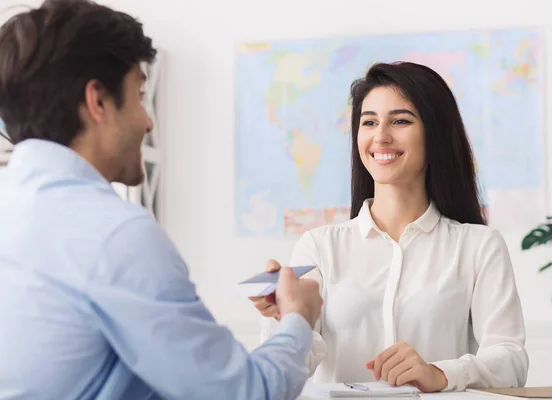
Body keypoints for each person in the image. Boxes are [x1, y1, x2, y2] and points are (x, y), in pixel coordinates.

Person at [0, 1, 322, 399]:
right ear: (98, 102)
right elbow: (244, 393)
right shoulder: (116, 235)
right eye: (139, 94)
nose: (147, 121)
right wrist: (298, 318)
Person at [251, 61, 529, 393]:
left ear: (435, 134)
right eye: (369, 122)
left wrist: (440, 373)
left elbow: (511, 361)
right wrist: (284, 318)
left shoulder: (478, 246)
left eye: (400, 121)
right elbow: (292, 368)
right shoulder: (320, 247)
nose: (380, 136)